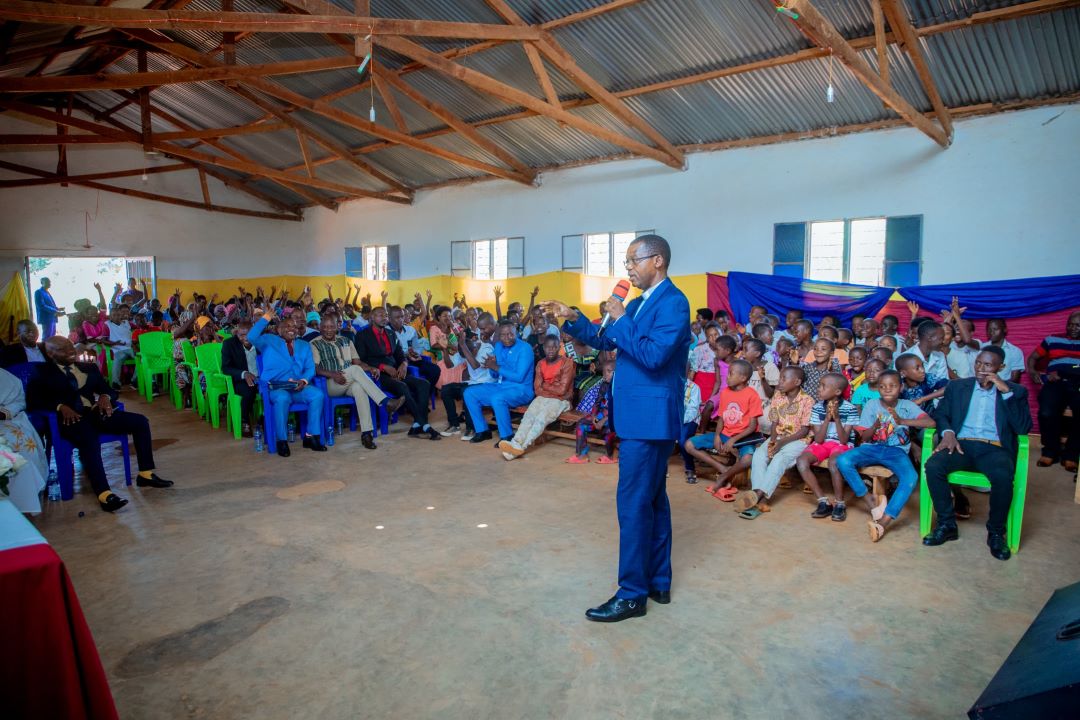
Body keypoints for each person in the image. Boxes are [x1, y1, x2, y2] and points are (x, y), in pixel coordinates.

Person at [544, 234, 690, 623]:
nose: (627, 269)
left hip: (650, 420)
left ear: (657, 260)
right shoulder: (640, 303)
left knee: (632, 505)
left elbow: (654, 356)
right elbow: (604, 339)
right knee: (653, 502)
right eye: (626, 263)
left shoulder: (673, 302)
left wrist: (623, 318)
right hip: (641, 418)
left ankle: (631, 594)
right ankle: (658, 581)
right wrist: (572, 316)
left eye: (633, 261)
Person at [28, 337, 173, 512]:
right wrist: (60, 407)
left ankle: (145, 474)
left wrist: (105, 397)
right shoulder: (42, 372)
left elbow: (109, 390)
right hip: (70, 420)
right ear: (51, 354)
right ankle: (104, 494)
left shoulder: (88, 367)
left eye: (70, 347)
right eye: (63, 349)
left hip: (95, 413)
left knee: (140, 422)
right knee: (89, 439)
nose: (70, 351)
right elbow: (33, 400)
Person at [922, 347, 1033, 561]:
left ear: (1001, 367)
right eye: (979, 363)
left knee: (1002, 476)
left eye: (988, 365)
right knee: (934, 466)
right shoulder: (957, 386)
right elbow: (941, 414)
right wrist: (948, 432)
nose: (981, 369)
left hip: (994, 448)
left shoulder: (1015, 391)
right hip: (961, 444)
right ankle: (947, 524)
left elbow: (1022, 428)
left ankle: (996, 533)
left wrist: (1005, 392)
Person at [834, 370, 935, 542]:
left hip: (896, 451)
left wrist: (902, 421)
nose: (887, 389)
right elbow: (864, 437)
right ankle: (869, 499)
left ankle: (884, 522)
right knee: (843, 460)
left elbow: (931, 423)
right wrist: (875, 425)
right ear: (877, 389)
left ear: (900, 387)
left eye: (893, 386)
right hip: (872, 447)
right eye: (883, 386)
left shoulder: (907, 406)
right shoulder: (872, 405)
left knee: (911, 477)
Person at [248, 310, 327, 456]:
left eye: (294, 327)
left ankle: (311, 437)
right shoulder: (268, 341)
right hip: (276, 387)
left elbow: (310, 368)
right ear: (278, 330)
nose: (291, 329)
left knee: (317, 395)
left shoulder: (304, 345)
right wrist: (266, 318)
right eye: (287, 326)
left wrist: (303, 380)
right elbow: (251, 336)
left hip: (297, 387)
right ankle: (282, 441)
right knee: (283, 398)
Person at [355, 307, 440, 440]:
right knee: (402, 386)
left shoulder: (391, 334)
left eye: (385, 315)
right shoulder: (362, 335)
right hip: (378, 375)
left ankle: (418, 424)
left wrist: (404, 364)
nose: (383, 318)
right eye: (379, 315)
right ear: (371, 317)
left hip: (396, 372)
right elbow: (362, 359)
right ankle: (425, 425)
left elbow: (400, 355)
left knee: (424, 384)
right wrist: (383, 367)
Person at [310, 315, 392, 451]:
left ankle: (367, 434)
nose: (328, 330)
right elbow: (315, 368)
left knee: (359, 388)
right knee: (354, 370)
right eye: (324, 327)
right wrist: (332, 374)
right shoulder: (314, 344)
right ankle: (385, 402)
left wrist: (371, 368)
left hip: (349, 381)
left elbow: (358, 363)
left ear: (337, 327)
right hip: (331, 384)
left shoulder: (346, 341)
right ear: (319, 328)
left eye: (331, 326)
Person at [739, 366, 813, 512]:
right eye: (780, 378)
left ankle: (761, 496)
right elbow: (774, 423)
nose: (780, 382)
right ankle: (757, 494)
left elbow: (804, 430)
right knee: (759, 455)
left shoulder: (807, 400)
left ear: (797, 382)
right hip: (778, 436)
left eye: (784, 378)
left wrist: (780, 443)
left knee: (779, 459)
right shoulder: (778, 396)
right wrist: (773, 442)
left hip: (799, 439)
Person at [687, 360, 762, 495]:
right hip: (724, 434)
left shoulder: (752, 395)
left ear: (743, 378)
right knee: (689, 445)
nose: (727, 377)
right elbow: (721, 418)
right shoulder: (726, 392)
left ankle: (724, 477)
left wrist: (733, 440)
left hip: (743, 437)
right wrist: (716, 436)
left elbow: (752, 427)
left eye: (731, 374)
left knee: (748, 459)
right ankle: (723, 468)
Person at [794, 373, 859, 520]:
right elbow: (818, 438)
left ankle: (840, 503)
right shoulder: (817, 408)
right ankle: (823, 501)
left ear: (837, 391)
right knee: (801, 461)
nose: (819, 389)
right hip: (823, 442)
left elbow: (843, 440)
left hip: (842, 444)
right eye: (819, 385)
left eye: (823, 386)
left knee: (834, 463)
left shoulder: (850, 409)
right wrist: (827, 418)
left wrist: (836, 418)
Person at [498, 335, 574, 460]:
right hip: (544, 397)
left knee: (540, 418)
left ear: (559, 348)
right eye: (548, 347)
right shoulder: (541, 363)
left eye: (554, 347)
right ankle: (515, 443)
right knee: (529, 415)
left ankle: (522, 447)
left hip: (562, 400)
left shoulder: (567, 363)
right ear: (543, 348)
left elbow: (562, 390)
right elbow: (538, 390)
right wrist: (550, 389)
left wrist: (545, 386)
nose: (551, 350)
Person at [462, 320, 535, 444]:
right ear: (499, 335)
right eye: (503, 335)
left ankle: (506, 437)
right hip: (501, 386)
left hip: (521, 389)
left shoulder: (525, 348)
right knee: (469, 392)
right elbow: (494, 375)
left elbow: (519, 377)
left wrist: (496, 367)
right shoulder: (498, 346)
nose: (507, 338)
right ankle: (483, 431)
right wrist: (491, 366)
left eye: (510, 334)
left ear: (516, 333)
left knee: (497, 398)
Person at [1027, 310, 1080, 472]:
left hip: (1077, 382)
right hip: (1055, 381)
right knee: (1046, 412)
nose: (1072, 328)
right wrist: (1033, 371)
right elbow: (1032, 358)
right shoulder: (1052, 339)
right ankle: (1050, 451)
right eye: (1070, 324)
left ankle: (1071, 455)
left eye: (1077, 325)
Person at [0, 367, 48, 513]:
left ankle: (20, 504)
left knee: (19, 445)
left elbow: (17, 401)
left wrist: (4, 413)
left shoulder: (4, 377)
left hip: (4, 422)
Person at [568, 362, 617, 464]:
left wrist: (602, 421)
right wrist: (594, 417)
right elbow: (597, 403)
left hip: (614, 417)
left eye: (608, 372)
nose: (604, 375)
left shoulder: (621, 388)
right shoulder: (604, 385)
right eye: (604, 372)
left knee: (610, 429)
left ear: (617, 372)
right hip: (601, 415)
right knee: (582, 423)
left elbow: (618, 410)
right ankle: (582, 454)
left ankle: (611, 456)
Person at [220, 319, 260, 437]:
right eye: (242, 335)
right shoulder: (229, 344)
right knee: (249, 390)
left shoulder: (260, 343)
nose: (246, 338)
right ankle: (244, 420)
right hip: (241, 380)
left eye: (249, 334)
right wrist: (244, 373)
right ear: (237, 334)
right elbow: (226, 368)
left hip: (261, 377)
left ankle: (266, 418)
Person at [679, 361, 703, 483]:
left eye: (684, 369)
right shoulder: (670, 386)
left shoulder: (694, 388)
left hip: (689, 420)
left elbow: (692, 411)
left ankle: (690, 468)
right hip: (672, 419)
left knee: (683, 440)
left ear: (689, 371)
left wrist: (678, 421)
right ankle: (661, 467)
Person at [981, 319, 1024, 383]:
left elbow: (1015, 379)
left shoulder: (1015, 351)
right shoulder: (982, 348)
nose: (991, 332)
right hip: (983, 388)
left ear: (1004, 330)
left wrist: (999, 386)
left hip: (1004, 389)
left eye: (995, 329)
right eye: (989, 330)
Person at [104, 305, 134, 388]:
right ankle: (115, 383)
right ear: (110, 316)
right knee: (117, 361)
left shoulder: (126, 323)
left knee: (142, 358)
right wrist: (114, 343)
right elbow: (104, 340)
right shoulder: (107, 324)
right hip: (118, 349)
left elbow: (136, 330)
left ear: (121, 315)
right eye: (114, 315)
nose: (117, 317)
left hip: (130, 348)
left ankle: (135, 380)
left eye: (118, 315)